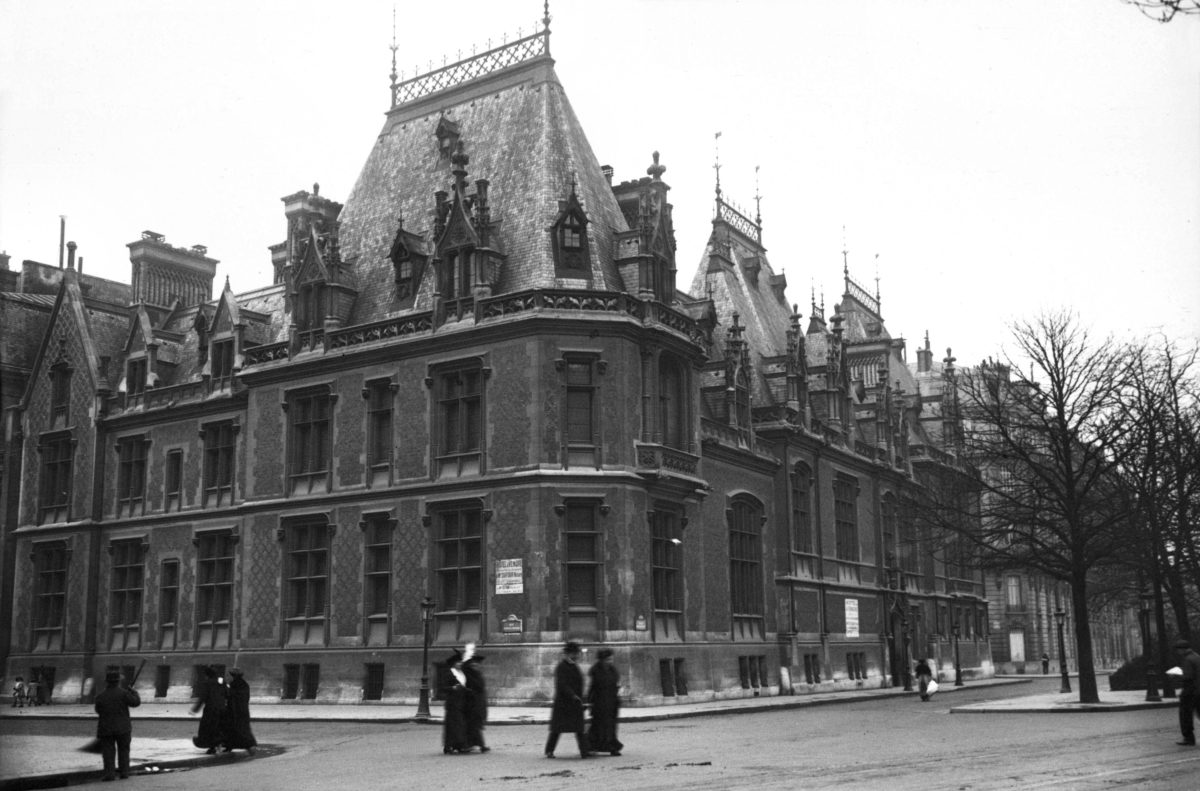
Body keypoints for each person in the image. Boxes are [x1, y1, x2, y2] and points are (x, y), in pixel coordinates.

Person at [545, 641, 591, 759]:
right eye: (574, 654)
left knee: (579, 728)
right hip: (564, 703)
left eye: (576, 653)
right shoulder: (561, 667)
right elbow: (562, 684)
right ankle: (549, 750)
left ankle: (584, 751)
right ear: (568, 654)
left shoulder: (574, 666)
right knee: (557, 729)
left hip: (575, 702)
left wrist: (582, 697)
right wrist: (572, 695)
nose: (576, 656)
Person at [94, 669, 141, 781]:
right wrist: (134, 692)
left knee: (108, 752)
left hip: (106, 728)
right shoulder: (124, 694)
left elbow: (98, 710)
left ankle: (109, 774)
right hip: (123, 728)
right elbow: (135, 703)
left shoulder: (100, 696)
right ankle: (124, 772)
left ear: (107, 682)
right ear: (118, 681)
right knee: (124, 750)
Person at [586, 648, 623, 756]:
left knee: (611, 727)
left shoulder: (613, 670)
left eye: (611, 659)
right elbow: (591, 687)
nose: (610, 662)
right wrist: (589, 702)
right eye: (608, 660)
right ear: (602, 660)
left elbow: (617, 683)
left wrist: (618, 692)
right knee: (597, 726)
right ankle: (590, 746)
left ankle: (612, 747)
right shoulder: (595, 670)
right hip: (599, 703)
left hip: (612, 702)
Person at [190, 665, 228, 754]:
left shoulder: (207, 683)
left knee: (209, 728)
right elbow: (227, 694)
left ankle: (212, 747)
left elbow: (203, 697)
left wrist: (195, 709)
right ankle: (220, 744)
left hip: (211, 710)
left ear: (208, 675)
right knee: (220, 727)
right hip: (222, 709)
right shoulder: (221, 682)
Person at [441, 649, 471, 754]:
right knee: (453, 725)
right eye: (458, 662)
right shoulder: (449, 673)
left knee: (461, 724)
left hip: (462, 702)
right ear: (454, 664)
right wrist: (453, 688)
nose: (460, 664)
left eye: (460, 662)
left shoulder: (462, 674)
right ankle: (450, 745)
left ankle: (459, 745)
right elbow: (443, 688)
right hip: (452, 703)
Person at [462, 644, 490, 753]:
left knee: (475, 726)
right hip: (471, 703)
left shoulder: (477, 674)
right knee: (474, 726)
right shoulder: (469, 673)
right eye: (474, 663)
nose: (476, 665)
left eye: (477, 663)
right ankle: (480, 745)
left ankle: (472, 744)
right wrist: (468, 654)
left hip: (478, 702)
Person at [222, 668, 257, 754]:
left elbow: (230, 696)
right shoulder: (245, 685)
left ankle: (230, 746)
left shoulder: (234, 685)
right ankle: (248, 745)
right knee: (243, 729)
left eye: (230, 675)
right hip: (243, 710)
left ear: (234, 676)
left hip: (234, 711)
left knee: (233, 729)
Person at [1173, 638, 1200, 746]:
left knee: (1185, 714)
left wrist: (1176, 674)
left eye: (1178, 650)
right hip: (1199, 690)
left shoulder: (1187, 659)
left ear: (1182, 649)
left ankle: (1188, 738)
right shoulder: (1197, 657)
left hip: (1190, 691)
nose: (1177, 652)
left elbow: (1187, 676)